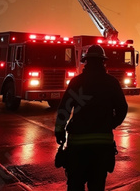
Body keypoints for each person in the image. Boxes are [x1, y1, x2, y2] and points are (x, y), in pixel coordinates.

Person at [55, 44, 128, 191]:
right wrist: (110, 124)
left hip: (78, 145)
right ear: (103, 62)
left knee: (75, 184)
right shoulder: (111, 82)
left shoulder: (77, 82)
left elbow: (64, 109)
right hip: (102, 145)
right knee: (97, 185)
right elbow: (122, 108)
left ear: (86, 61)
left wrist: (59, 131)